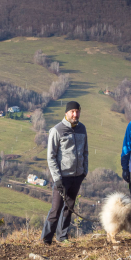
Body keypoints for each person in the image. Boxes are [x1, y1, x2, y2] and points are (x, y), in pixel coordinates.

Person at [41, 101, 88, 245]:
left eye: (77, 111)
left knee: (69, 208)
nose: (75, 114)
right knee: (56, 209)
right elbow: (51, 156)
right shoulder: (57, 130)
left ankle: (62, 237)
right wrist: (57, 179)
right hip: (62, 177)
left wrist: (84, 171)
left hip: (77, 176)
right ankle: (46, 239)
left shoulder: (82, 129)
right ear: (66, 113)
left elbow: (85, 152)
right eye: (72, 111)